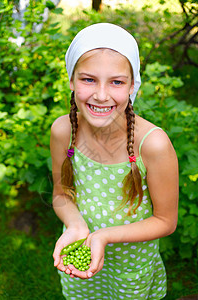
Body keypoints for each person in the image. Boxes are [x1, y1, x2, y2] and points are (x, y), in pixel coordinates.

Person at [50, 23, 179, 300]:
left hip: (130, 266)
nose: (101, 95)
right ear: (71, 80)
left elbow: (165, 221)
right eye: (88, 79)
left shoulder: (153, 144)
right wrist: (76, 226)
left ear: (133, 86)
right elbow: (61, 195)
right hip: (80, 250)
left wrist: (104, 236)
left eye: (116, 82)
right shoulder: (63, 131)